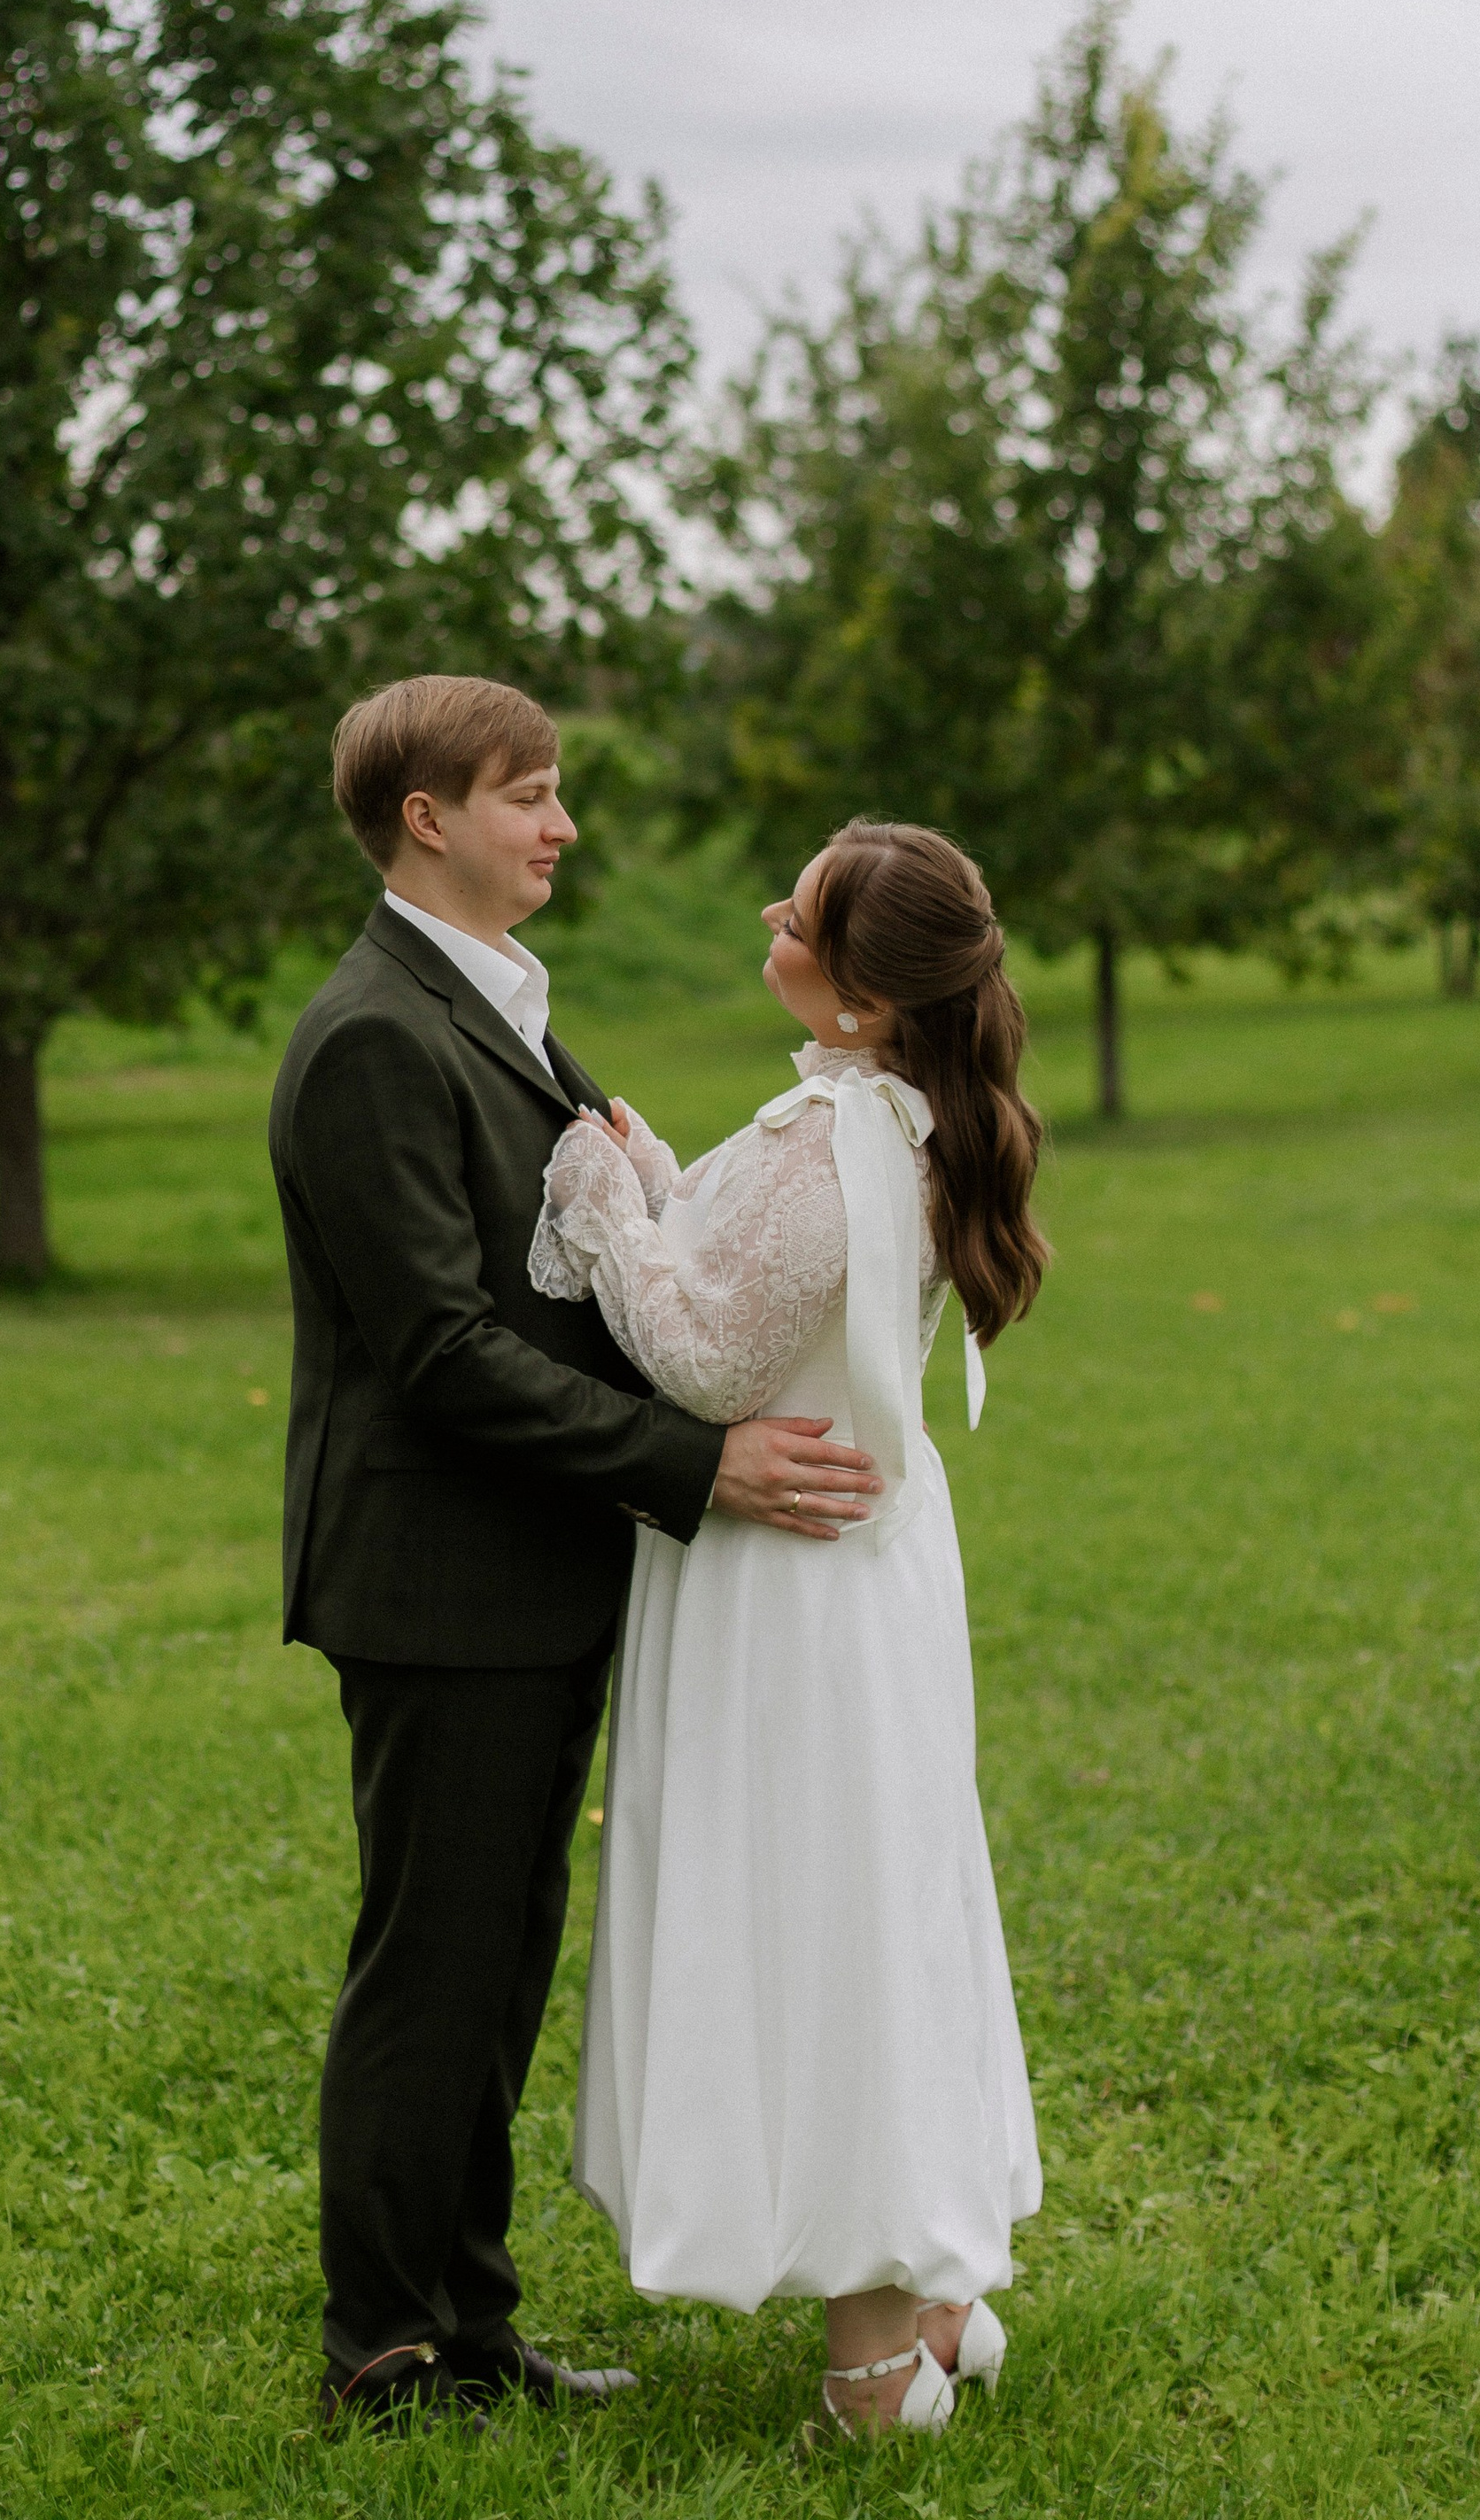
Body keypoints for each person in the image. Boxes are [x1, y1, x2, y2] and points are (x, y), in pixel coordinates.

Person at [270, 676, 883, 2431]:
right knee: (431, 1962)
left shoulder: (498, 1008)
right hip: (436, 1580)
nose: (557, 826)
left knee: (495, 1954)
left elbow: (604, 1245)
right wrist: (698, 1463)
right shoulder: (375, 1034)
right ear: (424, 820)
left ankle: (471, 2327)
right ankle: (383, 2353)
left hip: (524, 1572)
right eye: (525, 796)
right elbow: (439, 1351)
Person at [530, 818, 1048, 2439]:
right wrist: (675, 1178)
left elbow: (703, 1359)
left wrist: (605, 1199)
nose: (772, 907)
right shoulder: (871, 1116)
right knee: (872, 1897)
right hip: (844, 1569)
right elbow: (773, 1282)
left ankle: (880, 2362)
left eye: (806, 912)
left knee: (819, 1914)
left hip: (793, 1592)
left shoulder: (844, 1144)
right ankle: (933, 2284)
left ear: (869, 1004)